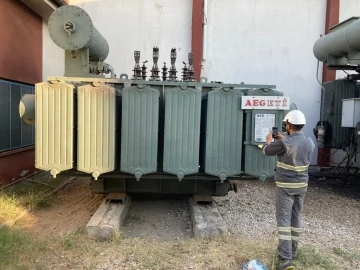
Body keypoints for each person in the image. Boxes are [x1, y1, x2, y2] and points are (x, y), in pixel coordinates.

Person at [261, 110, 315, 270]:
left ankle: (285, 260)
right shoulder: (309, 142)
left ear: (289, 125)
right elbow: (294, 145)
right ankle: (293, 252)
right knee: (295, 218)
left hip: (285, 187)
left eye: (286, 124)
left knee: (283, 220)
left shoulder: (284, 143)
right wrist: (284, 139)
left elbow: (266, 151)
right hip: (302, 186)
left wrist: (268, 140)